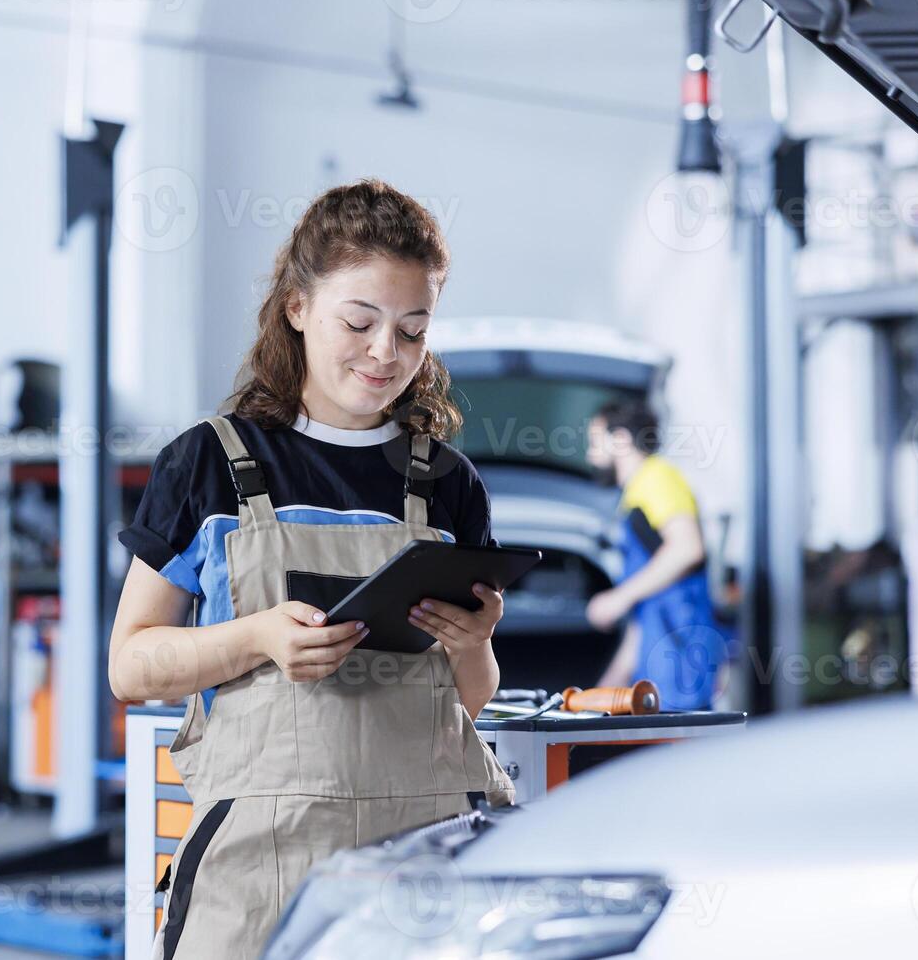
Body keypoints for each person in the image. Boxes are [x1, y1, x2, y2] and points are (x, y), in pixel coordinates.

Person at [108, 180, 515, 960]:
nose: (385, 353)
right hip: (261, 866)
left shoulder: (448, 483)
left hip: (424, 858)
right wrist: (258, 637)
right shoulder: (210, 464)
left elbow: (462, 702)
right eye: (359, 322)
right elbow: (131, 666)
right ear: (296, 306)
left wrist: (472, 644)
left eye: (413, 330)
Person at [585, 399, 734, 710]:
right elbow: (644, 618)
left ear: (621, 439)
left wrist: (617, 598)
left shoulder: (656, 478)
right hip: (661, 669)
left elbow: (687, 547)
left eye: (594, 443)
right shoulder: (636, 495)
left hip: (681, 665)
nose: (590, 455)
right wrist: (601, 692)